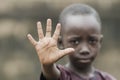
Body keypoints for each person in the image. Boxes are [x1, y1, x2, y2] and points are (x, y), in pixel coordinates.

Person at [27, 4, 116, 80]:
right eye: (75, 41)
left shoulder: (107, 78)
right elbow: (51, 75)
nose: (85, 49)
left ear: (100, 42)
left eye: (92, 41)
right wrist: (47, 65)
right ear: (61, 43)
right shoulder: (63, 75)